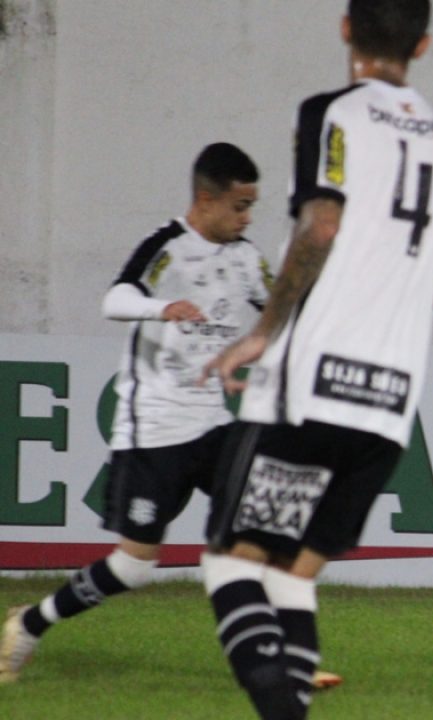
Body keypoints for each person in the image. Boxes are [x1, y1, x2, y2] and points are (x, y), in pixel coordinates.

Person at [198, 2, 433, 718]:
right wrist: (389, 291)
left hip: (310, 389)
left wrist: (264, 330)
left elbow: (319, 224)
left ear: (344, 28)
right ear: (422, 44)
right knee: (294, 578)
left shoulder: (333, 113)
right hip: (386, 408)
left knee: (231, 563)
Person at [0, 143, 270, 684]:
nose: (246, 218)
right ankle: (27, 624)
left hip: (215, 424)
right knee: (133, 567)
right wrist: (160, 306)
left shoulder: (245, 256)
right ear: (205, 199)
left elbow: (281, 311)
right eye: (238, 206)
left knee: (267, 524)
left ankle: (273, 658)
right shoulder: (166, 247)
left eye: (251, 207)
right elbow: (116, 298)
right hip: (155, 430)